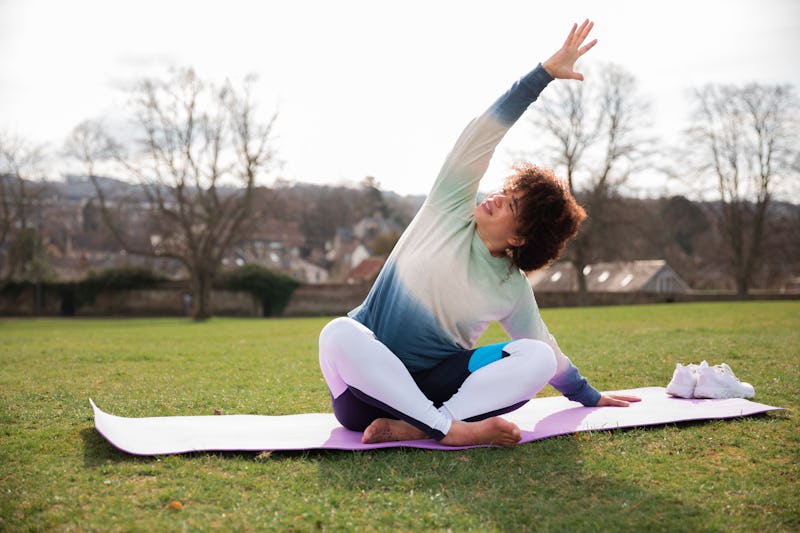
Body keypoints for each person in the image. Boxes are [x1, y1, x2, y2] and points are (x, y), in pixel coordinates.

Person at [318, 20, 640, 447]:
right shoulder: (449, 208)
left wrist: (587, 395)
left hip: (437, 389)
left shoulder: (510, 287)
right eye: (506, 190)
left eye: (513, 203)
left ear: (521, 238)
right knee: (337, 333)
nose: (497, 197)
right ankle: (449, 430)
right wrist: (542, 74)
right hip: (363, 394)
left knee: (537, 357)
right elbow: (484, 134)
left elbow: (547, 353)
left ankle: (429, 425)